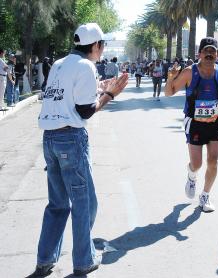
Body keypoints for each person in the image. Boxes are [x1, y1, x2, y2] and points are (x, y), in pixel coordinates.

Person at [30, 23, 129, 277]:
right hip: (70, 139)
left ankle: (45, 259)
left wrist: (98, 87)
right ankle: (84, 260)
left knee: (58, 204)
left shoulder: (60, 64)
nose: (102, 50)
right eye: (102, 46)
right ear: (95, 46)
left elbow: (65, 97)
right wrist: (110, 93)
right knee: (85, 203)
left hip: (49, 139)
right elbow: (85, 110)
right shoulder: (86, 66)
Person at [165, 37, 218, 212]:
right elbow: (169, 93)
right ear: (199, 54)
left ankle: (205, 195)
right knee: (197, 163)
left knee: (213, 161)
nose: (209, 54)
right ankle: (192, 175)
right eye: (205, 51)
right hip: (194, 122)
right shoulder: (189, 72)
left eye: (212, 51)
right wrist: (170, 78)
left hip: (215, 121)